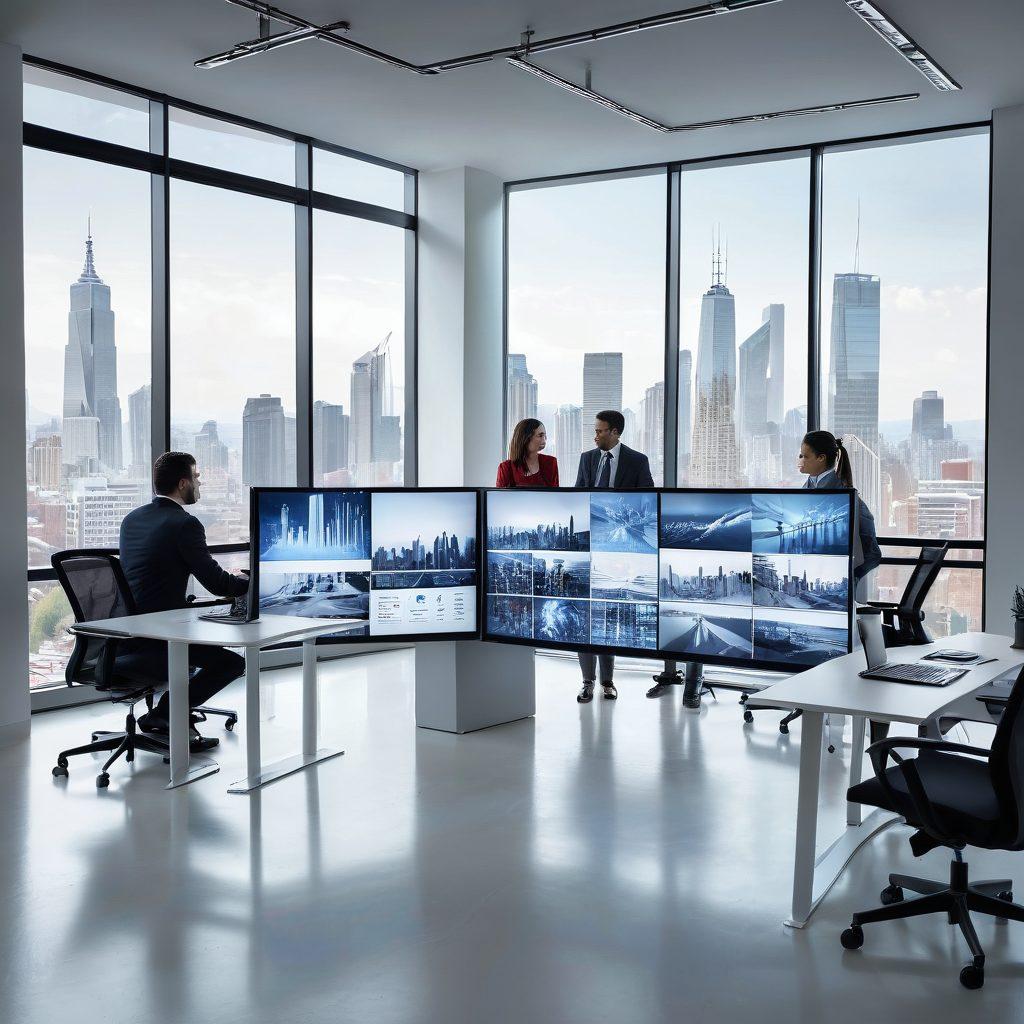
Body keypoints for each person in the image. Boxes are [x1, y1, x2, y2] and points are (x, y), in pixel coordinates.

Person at [118, 452, 250, 751]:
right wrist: (252, 584)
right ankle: (166, 714)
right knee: (231, 663)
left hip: (127, 635)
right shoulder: (184, 524)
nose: (199, 482)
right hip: (163, 636)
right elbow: (217, 583)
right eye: (196, 476)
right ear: (182, 483)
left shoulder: (133, 519)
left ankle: (167, 714)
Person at [574, 410, 655, 704]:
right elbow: (578, 497)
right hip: (592, 547)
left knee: (607, 612)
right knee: (586, 616)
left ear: (616, 432)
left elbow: (647, 501)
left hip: (620, 550)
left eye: (600, 431)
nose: (595, 436)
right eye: (594, 431)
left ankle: (607, 682)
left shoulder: (637, 461)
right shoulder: (587, 459)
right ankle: (586, 682)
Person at [798, 430, 882, 584]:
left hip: (838, 586)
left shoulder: (847, 498)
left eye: (805, 456)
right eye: (800, 455)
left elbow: (873, 554)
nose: (801, 460)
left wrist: (848, 578)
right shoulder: (804, 495)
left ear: (821, 458)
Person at [496, 418, 559, 488]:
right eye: (540, 435)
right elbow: (500, 497)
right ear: (525, 438)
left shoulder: (551, 462)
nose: (545, 439)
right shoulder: (505, 468)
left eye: (544, 435)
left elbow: (555, 495)